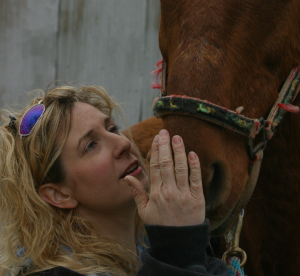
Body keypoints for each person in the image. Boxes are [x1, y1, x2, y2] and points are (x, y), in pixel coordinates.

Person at [0, 85, 229, 276]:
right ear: (60, 194)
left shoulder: (153, 248)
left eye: (112, 128)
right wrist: (177, 248)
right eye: (90, 145)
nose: (123, 144)